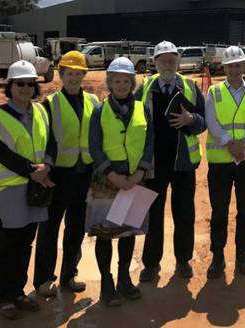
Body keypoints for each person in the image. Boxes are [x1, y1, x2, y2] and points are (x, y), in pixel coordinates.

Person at [0, 60, 56, 320]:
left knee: (25, 243)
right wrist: (34, 171)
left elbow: (51, 144)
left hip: (36, 187)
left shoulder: (42, 112)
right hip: (10, 189)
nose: (25, 88)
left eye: (30, 84)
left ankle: (19, 291)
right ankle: (4, 297)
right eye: (20, 83)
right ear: (9, 86)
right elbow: (1, 153)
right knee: (8, 244)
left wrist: (48, 165)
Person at [136, 41, 206, 282]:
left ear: (178, 62)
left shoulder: (190, 86)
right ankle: (151, 264)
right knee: (153, 214)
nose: (167, 63)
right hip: (153, 164)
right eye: (162, 59)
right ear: (155, 63)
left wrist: (191, 119)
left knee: (184, 213)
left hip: (183, 163)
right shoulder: (144, 89)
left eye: (171, 59)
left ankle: (183, 260)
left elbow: (203, 122)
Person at [88, 57, 154, 306]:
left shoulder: (142, 109)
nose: (122, 85)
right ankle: (107, 282)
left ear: (132, 82)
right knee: (105, 234)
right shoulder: (99, 110)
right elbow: (94, 147)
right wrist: (113, 175)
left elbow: (150, 142)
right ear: (109, 83)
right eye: (117, 81)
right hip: (108, 180)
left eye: (126, 81)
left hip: (135, 178)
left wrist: (139, 174)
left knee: (128, 232)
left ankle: (124, 278)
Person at [33, 51, 99, 297]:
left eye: (78, 73)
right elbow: (44, 139)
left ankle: (69, 274)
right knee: (49, 228)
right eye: (69, 73)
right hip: (57, 176)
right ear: (61, 75)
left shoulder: (93, 101)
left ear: (83, 75)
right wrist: (44, 167)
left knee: (76, 228)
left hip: (84, 175)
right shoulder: (50, 104)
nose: (73, 78)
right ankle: (43, 279)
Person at [204, 46, 245, 279]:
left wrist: (244, 144)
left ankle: (241, 254)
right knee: (219, 209)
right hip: (220, 159)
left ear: (243, 66)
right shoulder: (215, 92)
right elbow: (212, 120)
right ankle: (217, 256)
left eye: (238, 64)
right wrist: (230, 143)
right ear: (224, 67)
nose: (234, 69)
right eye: (230, 65)